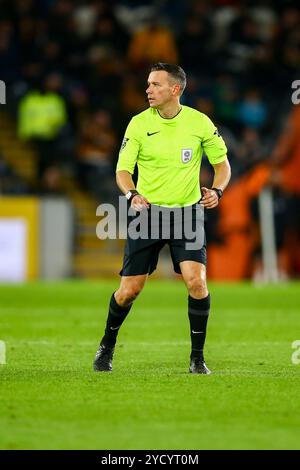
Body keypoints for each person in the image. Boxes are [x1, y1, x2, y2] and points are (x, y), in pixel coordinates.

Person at [93, 63, 231, 374]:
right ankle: (107, 345)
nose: (148, 90)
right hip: (148, 214)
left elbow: (223, 166)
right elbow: (122, 171)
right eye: (148, 84)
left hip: (187, 214)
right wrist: (132, 195)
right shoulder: (138, 124)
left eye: (155, 85)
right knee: (129, 290)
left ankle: (197, 359)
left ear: (175, 89)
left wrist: (218, 191)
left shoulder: (199, 123)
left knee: (197, 283)